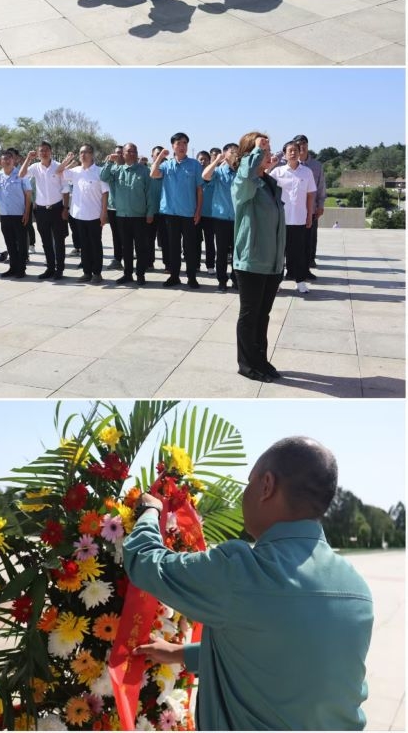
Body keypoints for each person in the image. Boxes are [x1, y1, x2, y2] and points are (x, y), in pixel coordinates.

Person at [124, 436, 373, 732]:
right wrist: (180, 654)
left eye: (249, 482)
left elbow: (145, 562)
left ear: (266, 486)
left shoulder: (243, 572)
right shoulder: (358, 590)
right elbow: (282, 655)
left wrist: (150, 511)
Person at [231, 133, 286, 381]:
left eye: (268, 148)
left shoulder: (269, 182)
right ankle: (247, 365)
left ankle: (261, 360)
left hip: (272, 261)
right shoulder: (244, 183)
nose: (267, 152)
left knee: (263, 315)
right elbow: (246, 175)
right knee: (250, 314)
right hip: (251, 260)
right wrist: (254, 152)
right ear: (249, 154)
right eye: (262, 149)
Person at [150, 133, 203, 288]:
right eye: (179, 143)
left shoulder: (194, 165)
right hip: (170, 213)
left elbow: (199, 190)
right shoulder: (167, 165)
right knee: (173, 247)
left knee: (190, 247)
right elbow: (153, 173)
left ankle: (192, 277)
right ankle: (174, 276)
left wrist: (198, 211)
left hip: (189, 214)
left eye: (185, 143)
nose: (182, 146)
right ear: (173, 146)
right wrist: (160, 156)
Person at [100, 143, 154, 285]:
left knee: (141, 247)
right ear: (123, 154)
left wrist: (150, 212)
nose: (132, 153)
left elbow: (150, 193)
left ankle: (140, 274)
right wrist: (109, 161)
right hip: (122, 216)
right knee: (126, 247)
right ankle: (127, 274)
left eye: (134, 151)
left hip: (139, 216)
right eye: (129, 151)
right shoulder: (117, 170)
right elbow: (103, 177)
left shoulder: (144, 171)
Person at [268, 141, 317, 294]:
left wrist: (310, 215)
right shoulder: (278, 172)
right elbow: (264, 184)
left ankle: (300, 281)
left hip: (299, 219)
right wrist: (271, 165)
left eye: (296, 150)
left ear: (300, 152)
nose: (293, 153)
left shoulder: (307, 172)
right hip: (280, 219)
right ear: (284, 154)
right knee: (278, 253)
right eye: (290, 150)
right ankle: (276, 282)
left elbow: (310, 195)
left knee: (299, 253)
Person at [56, 144, 109, 284]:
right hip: (78, 215)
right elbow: (58, 171)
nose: (83, 155)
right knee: (84, 245)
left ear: (92, 154)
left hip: (95, 215)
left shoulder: (100, 171)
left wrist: (104, 213)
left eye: (86, 152)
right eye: (81, 152)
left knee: (95, 245)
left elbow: (105, 193)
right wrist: (67, 160)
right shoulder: (75, 171)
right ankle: (87, 272)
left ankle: (97, 273)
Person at [19, 142, 67, 280]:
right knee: (46, 241)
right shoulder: (35, 167)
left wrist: (65, 208)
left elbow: (65, 188)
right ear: (38, 153)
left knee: (59, 241)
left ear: (51, 151)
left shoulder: (58, 166)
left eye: (46, 150)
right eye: (41, 151)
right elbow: (21, 175)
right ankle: (50, 268)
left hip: (57, 209)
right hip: (41, 210)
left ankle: (59, 269)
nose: (44, 153)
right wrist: (28, 159)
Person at [0, 151, 31, 278]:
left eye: (9, 158)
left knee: (21, 244)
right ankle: (12, 268)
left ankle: (21, 269)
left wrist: (27, 212)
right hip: (5, 216)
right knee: (10, 243)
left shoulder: (21, 174)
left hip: (19, 215)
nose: (7, 161)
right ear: (0, 162)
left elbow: (28, 194)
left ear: (14, 160)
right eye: (4, 159)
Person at [202, 143, 239, 292]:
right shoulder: (218, 171)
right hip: (221, 218)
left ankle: (236, 280)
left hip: (238, 218)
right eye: (232, 152)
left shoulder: (241, 172)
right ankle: (222, 281)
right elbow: (205, 176)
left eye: (237, 152)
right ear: (225, 154)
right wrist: (217, 160)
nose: (235, 154)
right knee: (222, 252)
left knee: (237, 252)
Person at [293, 134, 327, 280]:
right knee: (292, 242)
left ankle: (306, 269)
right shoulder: (287, 164)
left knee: (308, 242)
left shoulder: (316, 165)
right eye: (298, 144)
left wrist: (321, 205)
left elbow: (321, 186)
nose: (301, 146)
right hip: (292, 210)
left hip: (310, 210)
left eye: (304, 143)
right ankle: (291, 270)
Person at [195, 151, 215, 274]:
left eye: (205, 159)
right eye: (200, 159)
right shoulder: (194, 175)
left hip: (210, 214)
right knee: (196, 241)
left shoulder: (214, 175)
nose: (203, 162)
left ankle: (210, 265)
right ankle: (196, 264)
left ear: (209, 161)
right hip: (196, 213)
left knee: (209, 241)